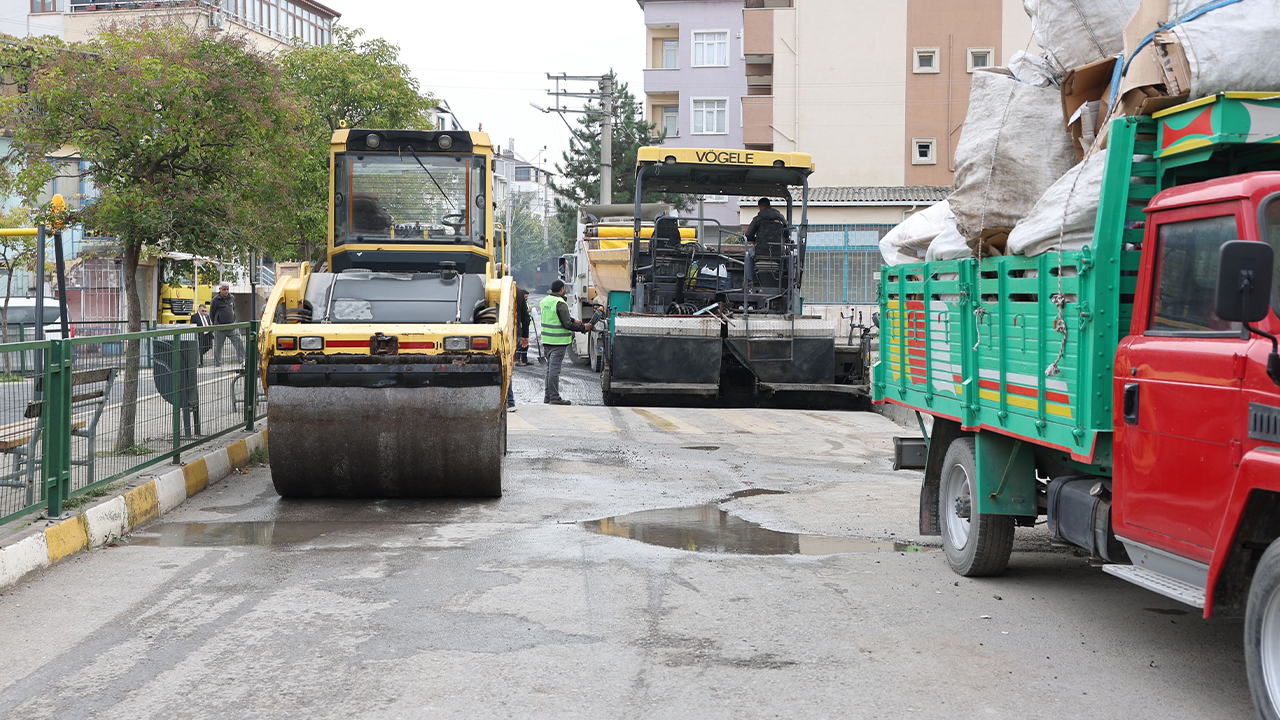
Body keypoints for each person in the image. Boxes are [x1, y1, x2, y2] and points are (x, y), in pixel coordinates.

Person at [539, 280, 592, 406]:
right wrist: (584, 327)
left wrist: (574, 320)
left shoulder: (545, 301)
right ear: (562, 289)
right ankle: (555, 397)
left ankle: (548, 396)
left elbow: (556, 316)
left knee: (549, 369)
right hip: (558, 341)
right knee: (554, 370)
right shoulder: (560, 303)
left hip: (547, 340)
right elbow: (566, 324)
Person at [209, 283, 244, 366]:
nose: (226, 291)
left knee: (239, 342)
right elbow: (212, 313)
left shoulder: (232, 298)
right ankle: (218, 364)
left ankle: (242, 361)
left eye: (227, 289)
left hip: (232, 326)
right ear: (220, 289)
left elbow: (233, 308)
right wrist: (216, 323)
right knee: (218, 347)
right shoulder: (215, 300)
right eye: (224, 289)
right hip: (220, 327)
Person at [189, 303, 213, 367]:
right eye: (203, 311)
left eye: (205, 311)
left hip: (207, 335)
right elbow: (193, 325)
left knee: (208, 346)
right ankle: (200, 363)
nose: (204, 312)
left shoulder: (207, 316)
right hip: (200, 335)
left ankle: (199, 355)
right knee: (200, 348)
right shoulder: (195, 316)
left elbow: (209, 324)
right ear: (199, 310)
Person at [516, 287, 532, 366]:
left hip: (525, 326)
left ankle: (524, 359)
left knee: (525, 345)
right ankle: (517, 359)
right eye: (525, 296)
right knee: (519, 344)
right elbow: (522, 314)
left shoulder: (525, 302)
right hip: (521, 326)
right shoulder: (520, 301)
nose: (526, 298)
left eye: (526, 297)